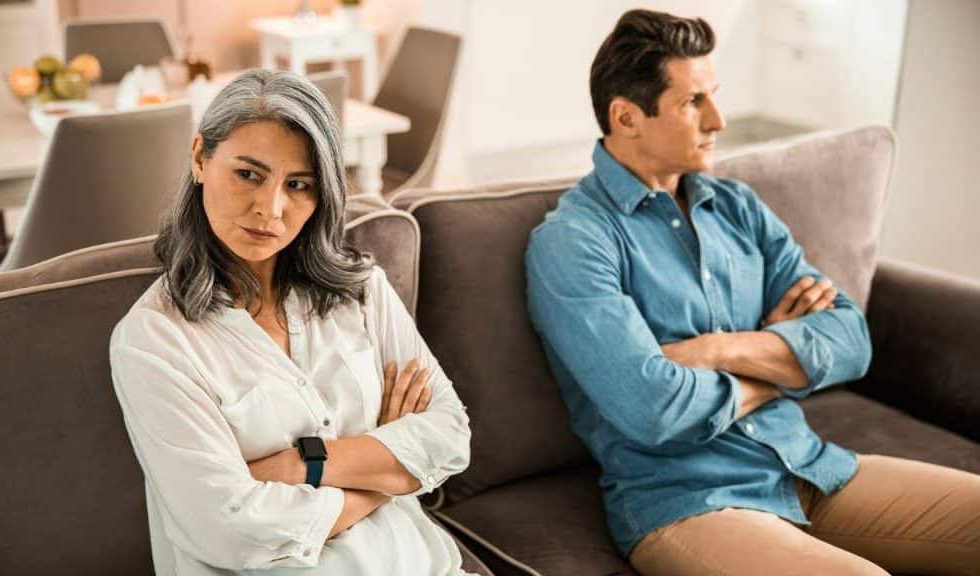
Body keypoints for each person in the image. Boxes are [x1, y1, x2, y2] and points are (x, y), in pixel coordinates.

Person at [525, 9, 980, 576]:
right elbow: (654, 410)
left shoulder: (736, 207)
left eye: (713, 95)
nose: (718, 119)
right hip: (689, 504)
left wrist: (721, 350)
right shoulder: (574, 242)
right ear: (626, 117)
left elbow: (850, 340)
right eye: (693, 102)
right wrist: (781, 362)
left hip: (806, 467)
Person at [109, 69, 475, 575]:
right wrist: (384, 471)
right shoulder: (154, 341)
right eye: (249, 174)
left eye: (298, 184)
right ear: (199, 158)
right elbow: (229, 531)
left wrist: (301, 466)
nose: (271, 208)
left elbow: (451, 436)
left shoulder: (362, 289)